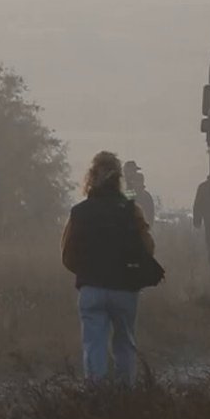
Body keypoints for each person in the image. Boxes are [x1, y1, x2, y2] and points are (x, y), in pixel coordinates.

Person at [61, 151, 156, 386]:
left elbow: (67, 254)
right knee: (125, 344)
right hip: (125, 290)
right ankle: (125, 398)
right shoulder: (132, 211)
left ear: (91, 177)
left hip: (92, 289)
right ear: (119, 179)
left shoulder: (79, 212)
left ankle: (97, 396)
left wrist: (86, 272)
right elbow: (148, 248)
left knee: (94, 345)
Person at [123, 159, 155, 226]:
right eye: (129, 172)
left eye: (133, 171)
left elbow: (150, 217)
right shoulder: (123, 192)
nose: (131, 174)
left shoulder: (145, 196)